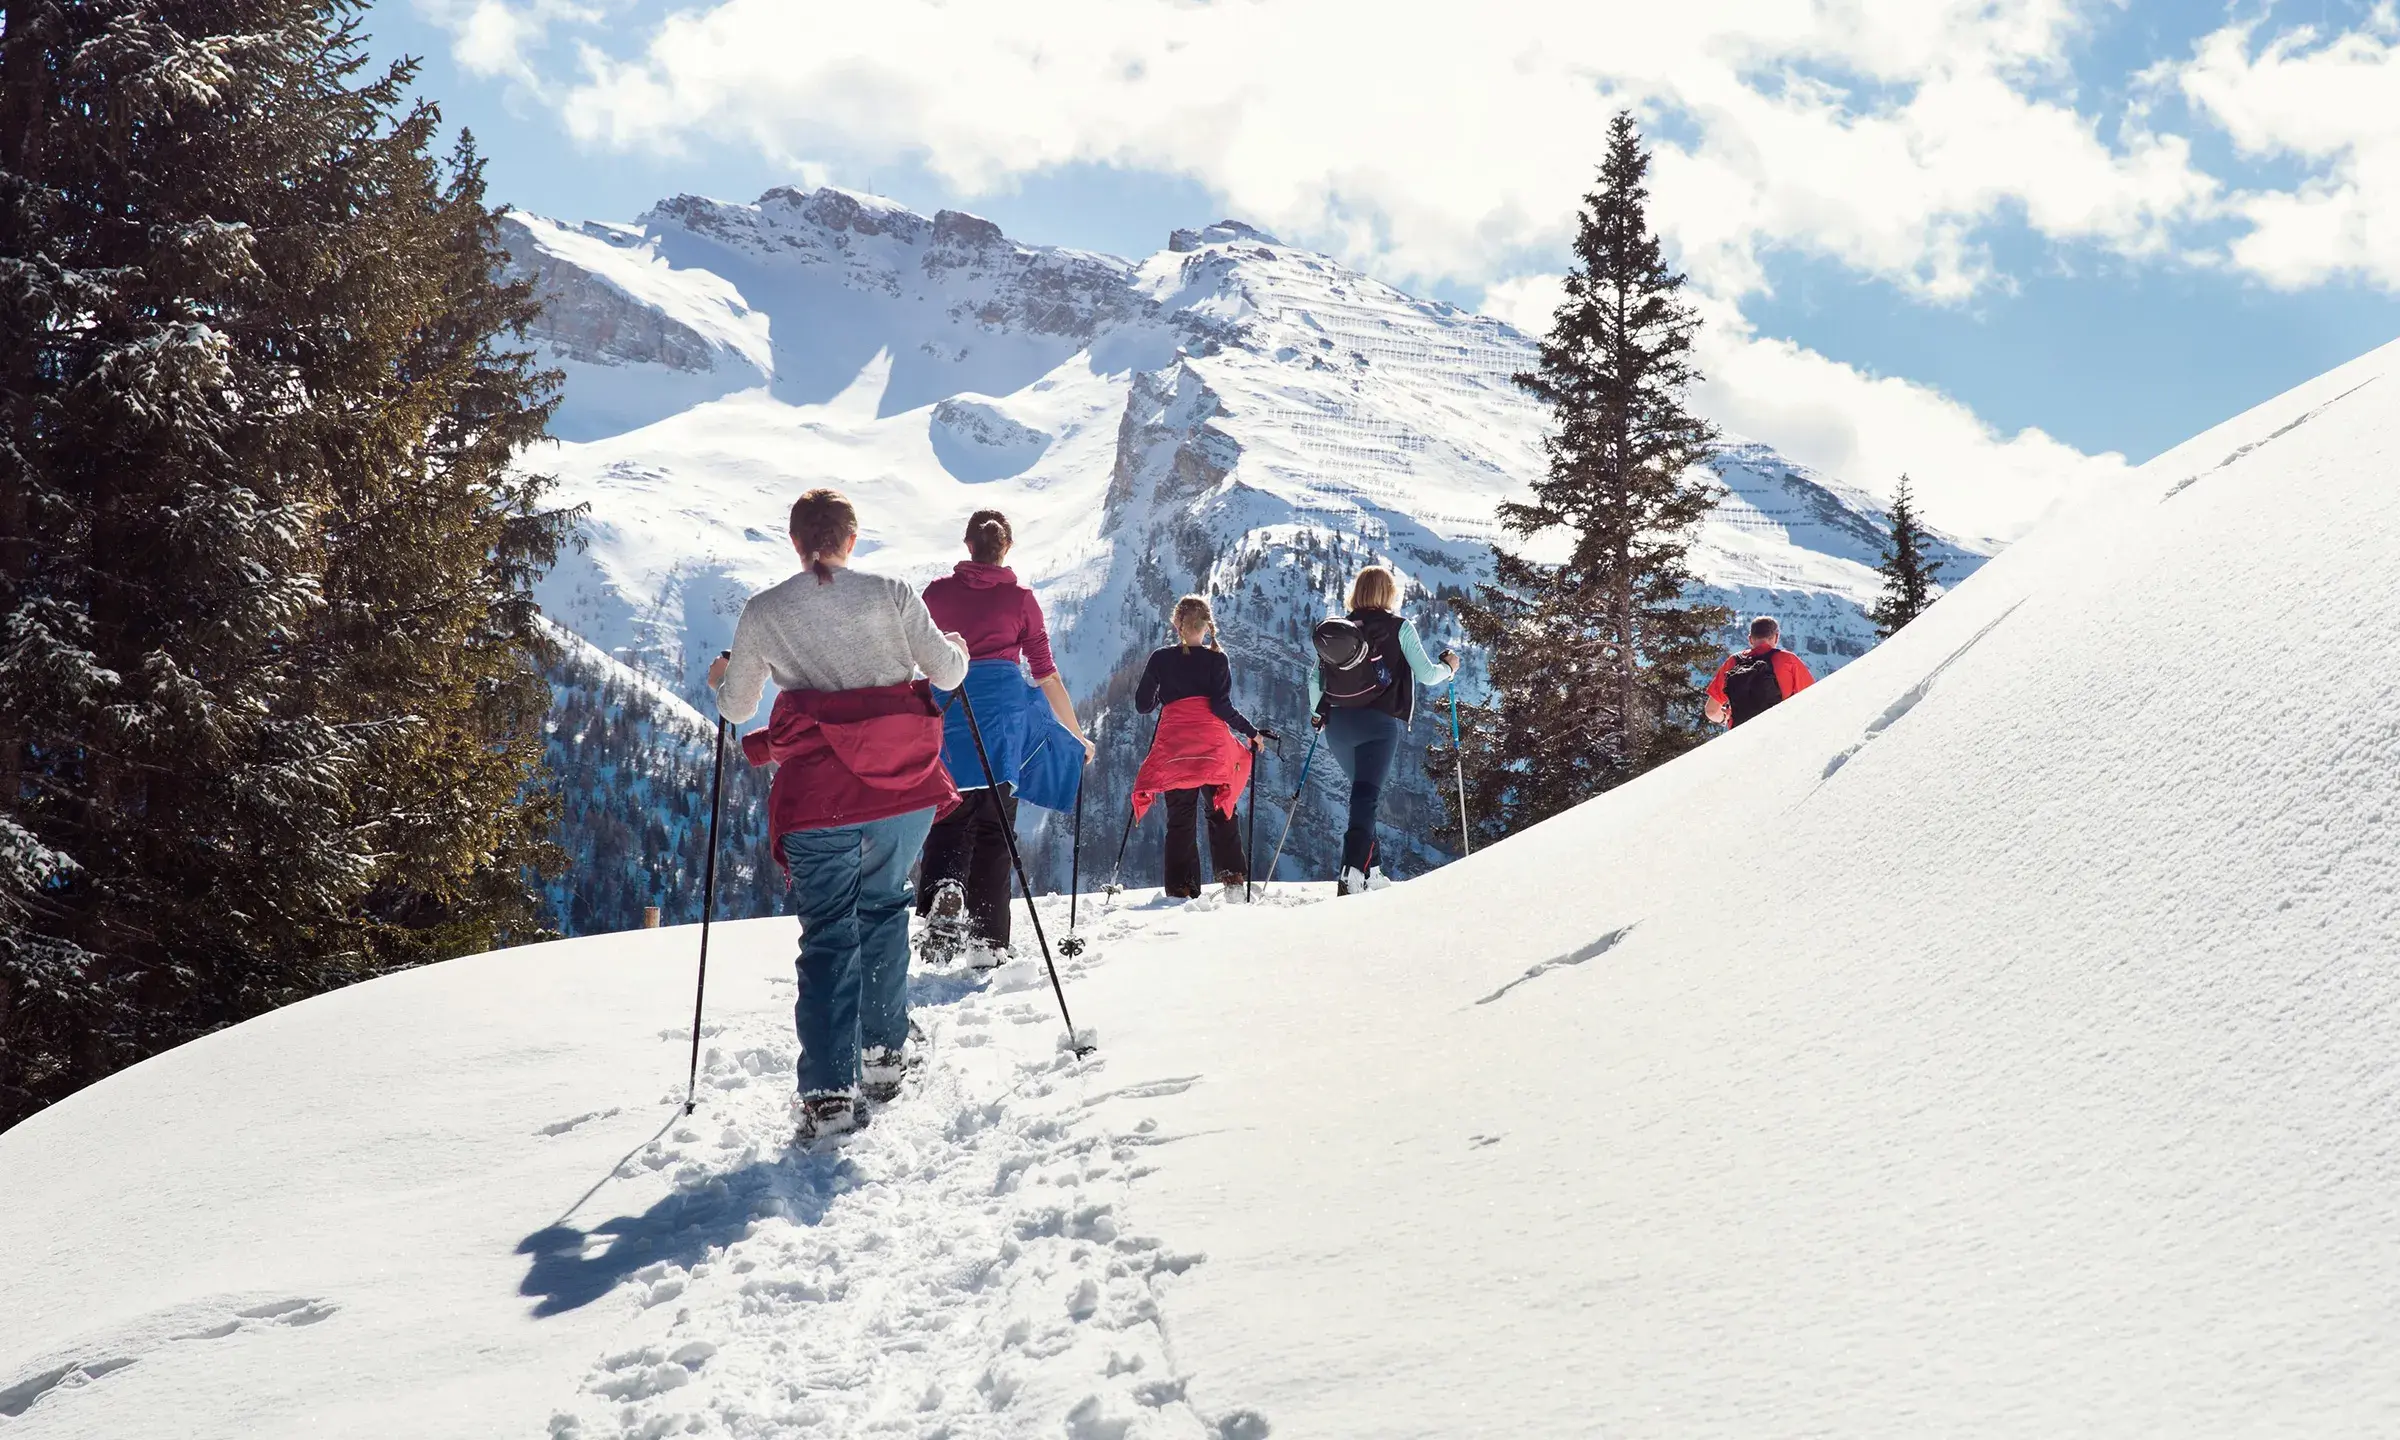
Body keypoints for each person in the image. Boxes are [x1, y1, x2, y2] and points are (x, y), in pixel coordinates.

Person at [709, 488, 970, 1141]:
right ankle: (882, 1054)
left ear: (796, 543)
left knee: (829, 931)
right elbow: (947, 673)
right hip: (901, 789)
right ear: (851, 539)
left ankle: (829, 1094)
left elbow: (738, 709)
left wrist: (720, 679)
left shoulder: (766, 610)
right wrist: (957, 647)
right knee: (883, 908)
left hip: (819, 797)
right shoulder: (892, 593)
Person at [916, 510, 1092, 962]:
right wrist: (1076, 736)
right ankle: (989, 943)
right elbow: (1046, 675)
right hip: (1003, 724)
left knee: (948, 815)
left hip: (949, 712)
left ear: (967, 545)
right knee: (995, 830)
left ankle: (945, 889)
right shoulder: (1021, 600)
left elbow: (915, 657)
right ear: (1006, 548)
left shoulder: (936, 595)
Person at [1309, 566, 1457, 896]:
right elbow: (1427, 674)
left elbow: (1315, 678)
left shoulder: (1339, 630)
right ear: (1389, 593)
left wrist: (1315, 715)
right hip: (1378, 726)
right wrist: (1449, 668)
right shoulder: (1399, 627)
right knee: (1366, 796)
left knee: (1363, 796)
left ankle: (1372, 871)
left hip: (1338, 726)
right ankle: (1352, 872)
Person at [1130, 596, 1265, 900]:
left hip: (1176, 748)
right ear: (1207, 625)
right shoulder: (1217, 659)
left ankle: (1182, 888)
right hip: (1212, 747)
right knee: (1221, 808)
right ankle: (1232, 877)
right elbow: (1221, 706)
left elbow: (1142, 705)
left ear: (1176, 624)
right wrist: (1252, 732)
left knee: (1180, 816)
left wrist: (1163, 696)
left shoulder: (1161, 658)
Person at [1704, 616, 1817, 729]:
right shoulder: (1788, 660)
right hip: (1780, 730)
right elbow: (1812, 700)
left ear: (1750, 639)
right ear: (1776, 637)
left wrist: (1724, 718)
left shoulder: (1733, 662)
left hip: (1743, 734)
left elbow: (1711, 711)